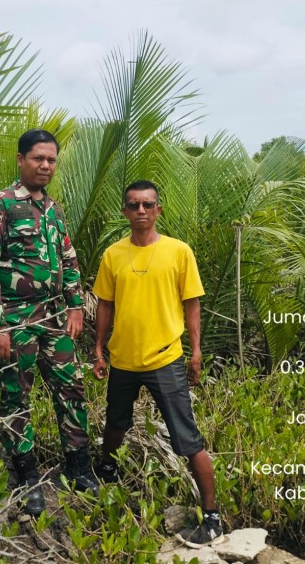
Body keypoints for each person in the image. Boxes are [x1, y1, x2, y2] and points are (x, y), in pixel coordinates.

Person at [0, 129, 98, 516]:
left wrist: (76, 306)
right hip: (14, 320)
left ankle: (78, 468)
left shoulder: (53, 209)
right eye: (38, 158)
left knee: (71, 388)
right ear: (20, 160)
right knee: (16, 397)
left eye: (51, 160)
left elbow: (69, 257)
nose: (45, 166)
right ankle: (27, 477)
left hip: (54, 317)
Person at [91, 180, 224, 546]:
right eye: (133, 205)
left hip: (165, 358)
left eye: (148, 205)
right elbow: (105, 304)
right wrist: (98, 349)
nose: (141, 211)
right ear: (125, 212)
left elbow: (192, 304)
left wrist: (195, 352)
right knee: (115, 421)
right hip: (123, 358)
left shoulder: (179, 252)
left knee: (186, 436)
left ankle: (212, 515)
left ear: (158, 210)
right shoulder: (113, 255)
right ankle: (107, 470)